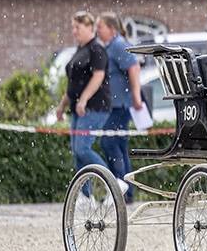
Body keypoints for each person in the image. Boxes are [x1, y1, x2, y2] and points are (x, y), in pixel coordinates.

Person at [55, 12, 118, 196]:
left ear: (89, 28)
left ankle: (112, 184)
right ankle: (85, 194)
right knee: (77, 151)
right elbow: (73, 84)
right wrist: (62, 106)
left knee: (83, 148)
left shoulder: (97, 49)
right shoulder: (79, 50)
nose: (74, 31)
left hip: (94, 107)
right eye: (73, 27)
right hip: (78, 108)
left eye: (78, 27)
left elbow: (98, 76)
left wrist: (84, 99)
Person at [96, 13, 144, 203]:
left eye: (100, 27)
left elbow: (133, 68)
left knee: (109, 143)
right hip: (115, 104)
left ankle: (120, 188)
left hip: (120, 105)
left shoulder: (118, 45)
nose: (98, 30)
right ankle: (126, 190)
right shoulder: (112, 46)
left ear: (111, 28)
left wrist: (136, 96)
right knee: (120, 146)